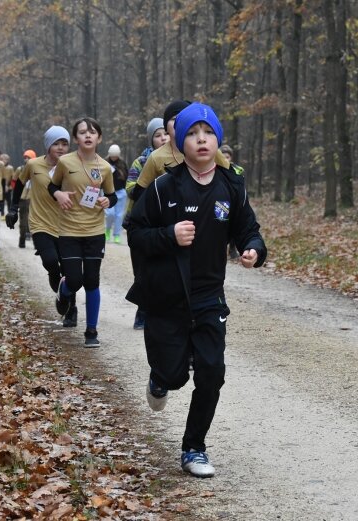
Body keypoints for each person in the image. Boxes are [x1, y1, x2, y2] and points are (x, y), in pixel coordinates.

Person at [125, 102, 267, 478]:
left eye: (207, 132)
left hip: (208, 297)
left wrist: (254, 248)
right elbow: (135, 232)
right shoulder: (163, 186)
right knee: (173, 376)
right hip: (166, 298)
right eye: (191, 133)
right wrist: (169, 235)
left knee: (211, 372)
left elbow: (247, 228)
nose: (201, 139)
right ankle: (160, 378)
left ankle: (194, 448)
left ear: (217, 138)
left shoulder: (230, 185)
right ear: (178, 140)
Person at [48, 117, 117, 347]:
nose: (88, 135)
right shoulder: (65, 162)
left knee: (92, 281)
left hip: (95, 231)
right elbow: (52, 186)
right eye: (82, 132)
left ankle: (91, 332)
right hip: (68, 230)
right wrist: (59, 195)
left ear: (99, 138)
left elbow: (112, 195)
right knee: (75, 280)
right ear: (76, 138)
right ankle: (64, 290)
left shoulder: (105, 167)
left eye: (92, 132)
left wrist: (108, 201)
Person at [8, 128, 79, 326]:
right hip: (40, 223)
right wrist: (13, 208)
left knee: (69, 270)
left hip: (66, 224)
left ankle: (70, 308)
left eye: (64, 144)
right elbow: (20, 184)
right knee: (50, 261)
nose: (61, 148)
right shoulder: (33, 164)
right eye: (56, 144)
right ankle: (56, 281)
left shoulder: (73, 164)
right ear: (48, 145)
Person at [128, 100, 231, 203]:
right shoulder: (156, 157)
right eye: (174, 119)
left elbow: (232, 179)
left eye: (185, 118)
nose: (179, 122)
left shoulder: (209, 150)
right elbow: (139, 194)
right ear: (166, 127)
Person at [125, 117, 170, 330]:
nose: (162, 139)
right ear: (151, 140)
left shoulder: (177, 159)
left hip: (164, 223)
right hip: (140, 221)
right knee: (141, 269)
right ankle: (142, 311)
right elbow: (130, 188)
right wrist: (150, 182)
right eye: (157, 136)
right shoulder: (140, 162)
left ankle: (160, 311)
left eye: (165, 134)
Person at [219, 144, 245, 259]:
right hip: (220, 202)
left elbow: (241, 186)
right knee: (220, 224)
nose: (225, 159)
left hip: (234, 201)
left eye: (227, 157)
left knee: (235, 223)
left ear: (231, 158)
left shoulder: (237, 170)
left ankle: (233, 248)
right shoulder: (214, 169)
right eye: (222, 156)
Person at [103, 144, 128, 244]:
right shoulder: (104, 162)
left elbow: (127, 176)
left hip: (121, 192)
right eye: (112, 156)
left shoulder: (122, 163)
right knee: (110, 213)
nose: (113, 158)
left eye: (115, 156)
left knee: (119, 215)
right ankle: (107, 230)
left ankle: (117, 234)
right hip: (107, 192)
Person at [14, 149, 36, 248]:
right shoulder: (20, 169)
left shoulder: (38, 169)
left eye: (29, 157)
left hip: (34, 198)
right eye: (25, 157)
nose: (26, 159)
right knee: (23, 220)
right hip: (23, 198)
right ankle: (22, 241)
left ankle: (37, 244)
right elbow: (14, 181)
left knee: (35, 221)